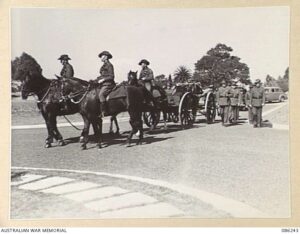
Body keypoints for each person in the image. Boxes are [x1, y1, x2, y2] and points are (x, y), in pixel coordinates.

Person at [97, 51, 116, 117]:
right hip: (103, 84)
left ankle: (104, 111)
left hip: (108, 84)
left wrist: (103, 79)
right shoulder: (104, 65)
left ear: (106, 57)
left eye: (102, 56)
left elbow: (111, 76)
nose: (101, 58)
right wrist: (96, 80)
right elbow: (102, 75)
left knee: (101, 95)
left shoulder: (109, 65)